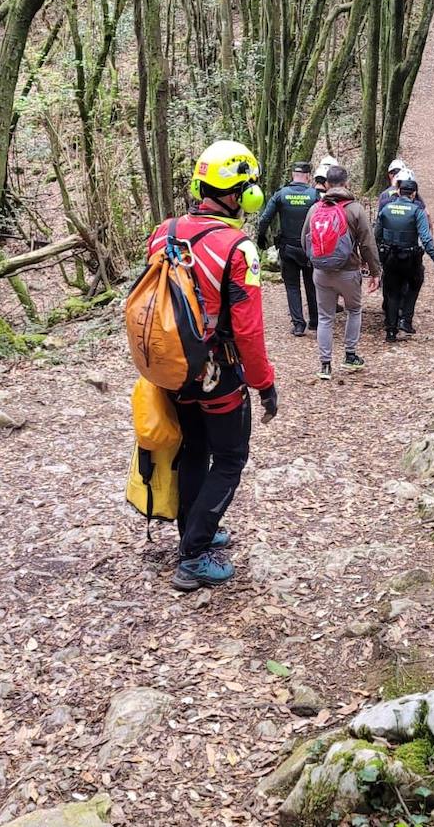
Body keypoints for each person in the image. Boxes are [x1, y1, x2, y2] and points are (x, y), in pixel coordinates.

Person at [146, 140, 279, 591]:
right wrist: (264, 383)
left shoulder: (163, 232)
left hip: (172, 368)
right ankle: (195, 553)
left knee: (194, 450)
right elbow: (248, 331)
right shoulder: (239, 249)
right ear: (240, 194)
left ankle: (193, 529)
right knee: (230, 458)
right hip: (218, 373)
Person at [301, 164, 381, 380]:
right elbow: (367, 243)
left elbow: (304, 239)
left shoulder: (315, 208)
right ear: (346, 183)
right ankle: (350, 356)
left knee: (325, 317)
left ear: (326, 184)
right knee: (354, 310)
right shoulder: (355, 209)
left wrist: (316, 261)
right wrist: (375, 271)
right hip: (348, 271)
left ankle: (325, 365)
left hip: (321, 272)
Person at [256, 161, 320, 335]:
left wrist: (261, 238)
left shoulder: (281, 195)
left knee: (292, 286)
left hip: (288, 247)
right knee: (311, 284)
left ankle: (299, 324)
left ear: (293, 175)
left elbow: (264, 219)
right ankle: (315, 320)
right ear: (308, 176)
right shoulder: (315, 195)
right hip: (309, 248)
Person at [376, 170, 434, 340]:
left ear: (398, 191)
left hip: (390, 257)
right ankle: (406, 319)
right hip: (411, 259)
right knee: (414, 284)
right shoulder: (417, 210)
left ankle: (390, 330)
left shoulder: (386, 208)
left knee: (391, 292)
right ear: (413, 194)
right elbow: (426, 238)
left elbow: (377, 234)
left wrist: (376, 257)